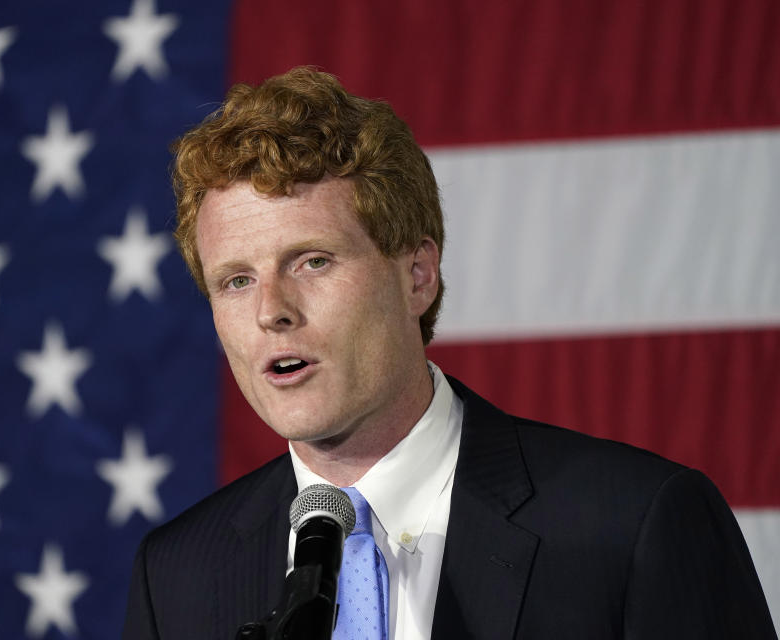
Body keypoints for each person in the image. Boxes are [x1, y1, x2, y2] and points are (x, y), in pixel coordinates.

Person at [121, 67, 775, 639]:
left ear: (417, 274)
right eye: (236, 280)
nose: (272, 310)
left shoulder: (632, 527)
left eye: (312, 261)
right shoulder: (178, 575)